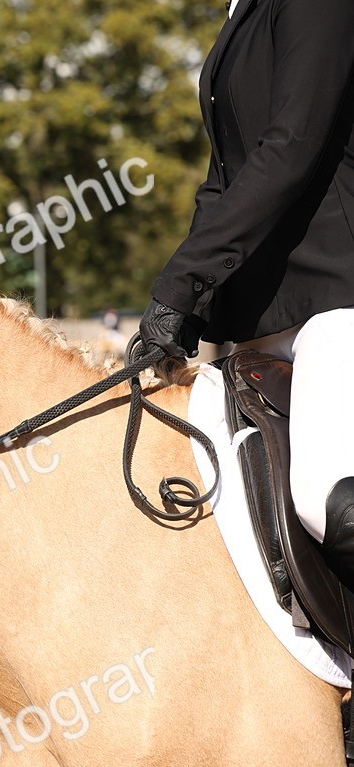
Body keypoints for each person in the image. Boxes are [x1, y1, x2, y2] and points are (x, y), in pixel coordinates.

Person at [139, 0, 354, 585]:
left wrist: (185, 282)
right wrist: (184, 300)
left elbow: (292, 145)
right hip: (260, 317)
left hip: (337, 294)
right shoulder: (243, 13)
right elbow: (222, 181)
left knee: (323, 498)